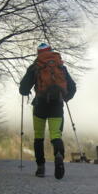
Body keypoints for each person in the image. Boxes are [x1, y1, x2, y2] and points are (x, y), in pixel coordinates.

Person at [19, 43, 77, 179]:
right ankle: (58, 156)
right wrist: (65, 97)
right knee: (56, 135)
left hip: (40, 105)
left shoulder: (35, 67)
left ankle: (40, 167)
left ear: (38, 53)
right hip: (56, 105)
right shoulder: (61, 67)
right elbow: (73, 87)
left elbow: (23, 89)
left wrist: (27, 91)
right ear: (51, 52)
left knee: (39, 136)